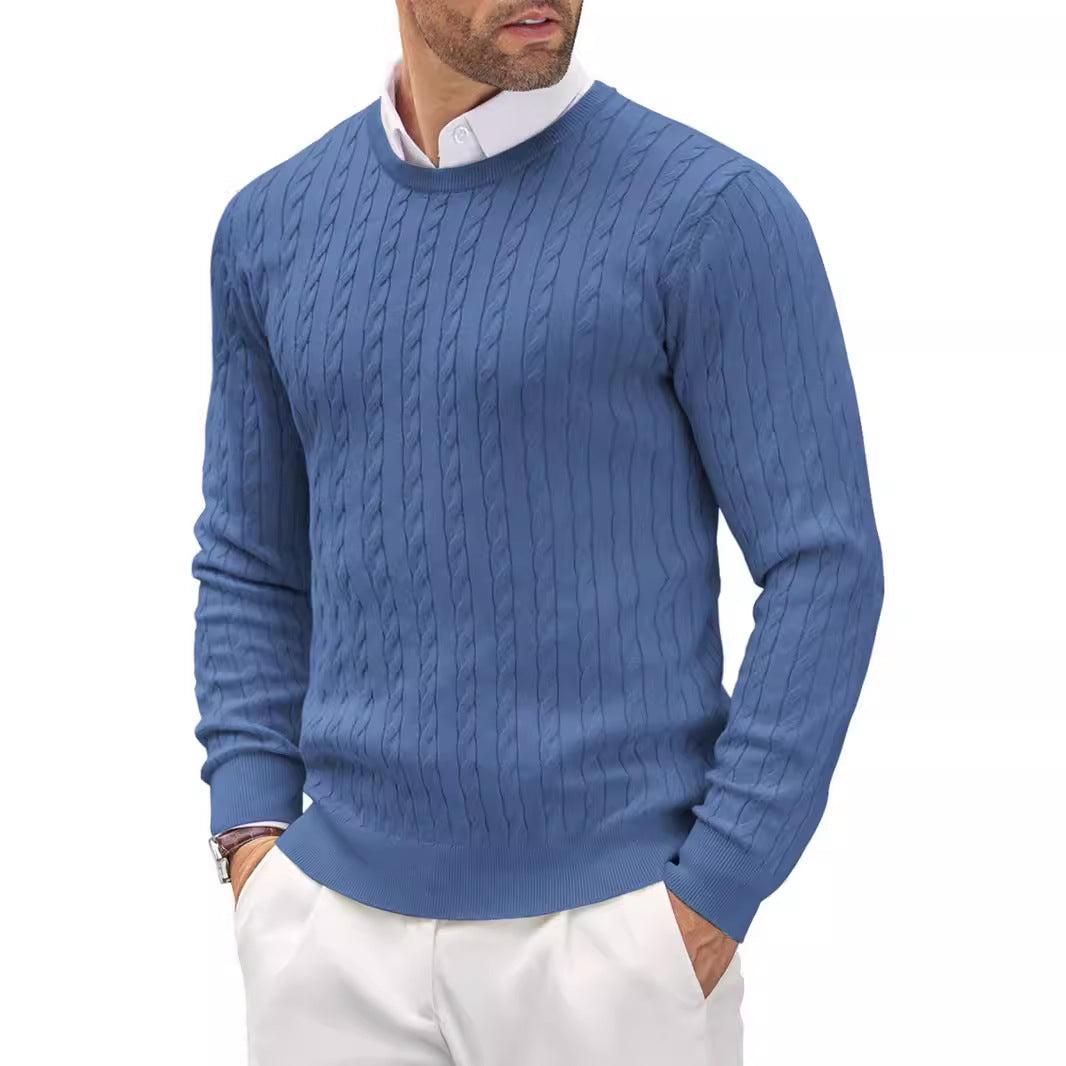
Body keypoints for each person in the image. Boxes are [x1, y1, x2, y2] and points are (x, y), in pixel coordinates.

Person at [191, 2, 885, 1063]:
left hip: (611, 953)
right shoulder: (271, 228)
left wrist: (715, 892)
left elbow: (822, 563)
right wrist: (250, 835)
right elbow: (253, 559)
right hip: (328, 946)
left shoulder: (711, 214)